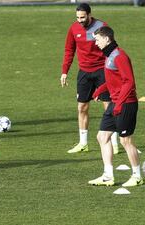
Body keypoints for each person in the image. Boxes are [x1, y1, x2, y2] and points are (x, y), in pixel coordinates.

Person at [60, 3, 120, 154]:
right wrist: (64, 72)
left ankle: (114, 143)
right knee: (82, 107)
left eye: (82, 17)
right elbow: (69, 50)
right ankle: (83, 143)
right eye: (78, 17)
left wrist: (114, 70)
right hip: (84, 73)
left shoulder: (102, 26)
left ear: (89, 14)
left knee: (108, 107)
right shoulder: (73, 29)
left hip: (102, 71)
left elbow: (112, 49)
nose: (80, 20)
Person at [88, 26, 142, 187]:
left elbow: (129, 82)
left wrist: (118, 104)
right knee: (102, 137)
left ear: (106, 39)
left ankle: (137, 176)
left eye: (97, 40)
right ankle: (108, 176)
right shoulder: (110, 55)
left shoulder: (120, 56)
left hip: (126, 104)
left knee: (126, 141)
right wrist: (100, 89)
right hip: (115, 103)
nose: (96, 43)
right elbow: (114, 80)